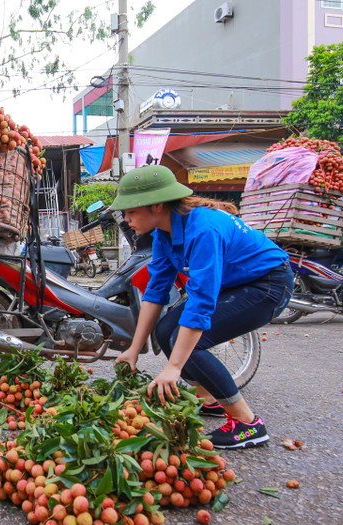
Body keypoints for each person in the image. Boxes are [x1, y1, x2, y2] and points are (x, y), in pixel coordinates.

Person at [112, 166, 293, 449]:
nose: (126, 219)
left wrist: (174, 367)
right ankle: (210, 399)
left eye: (131, 211)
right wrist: (134, 349)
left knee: (187, 343)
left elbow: (201, 304)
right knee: (165, 330)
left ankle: (248, 424)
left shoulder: (204, 230)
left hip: (268, 285)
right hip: (233, 283)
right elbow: (156, 293)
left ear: (157, 205)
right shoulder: (163, 233)